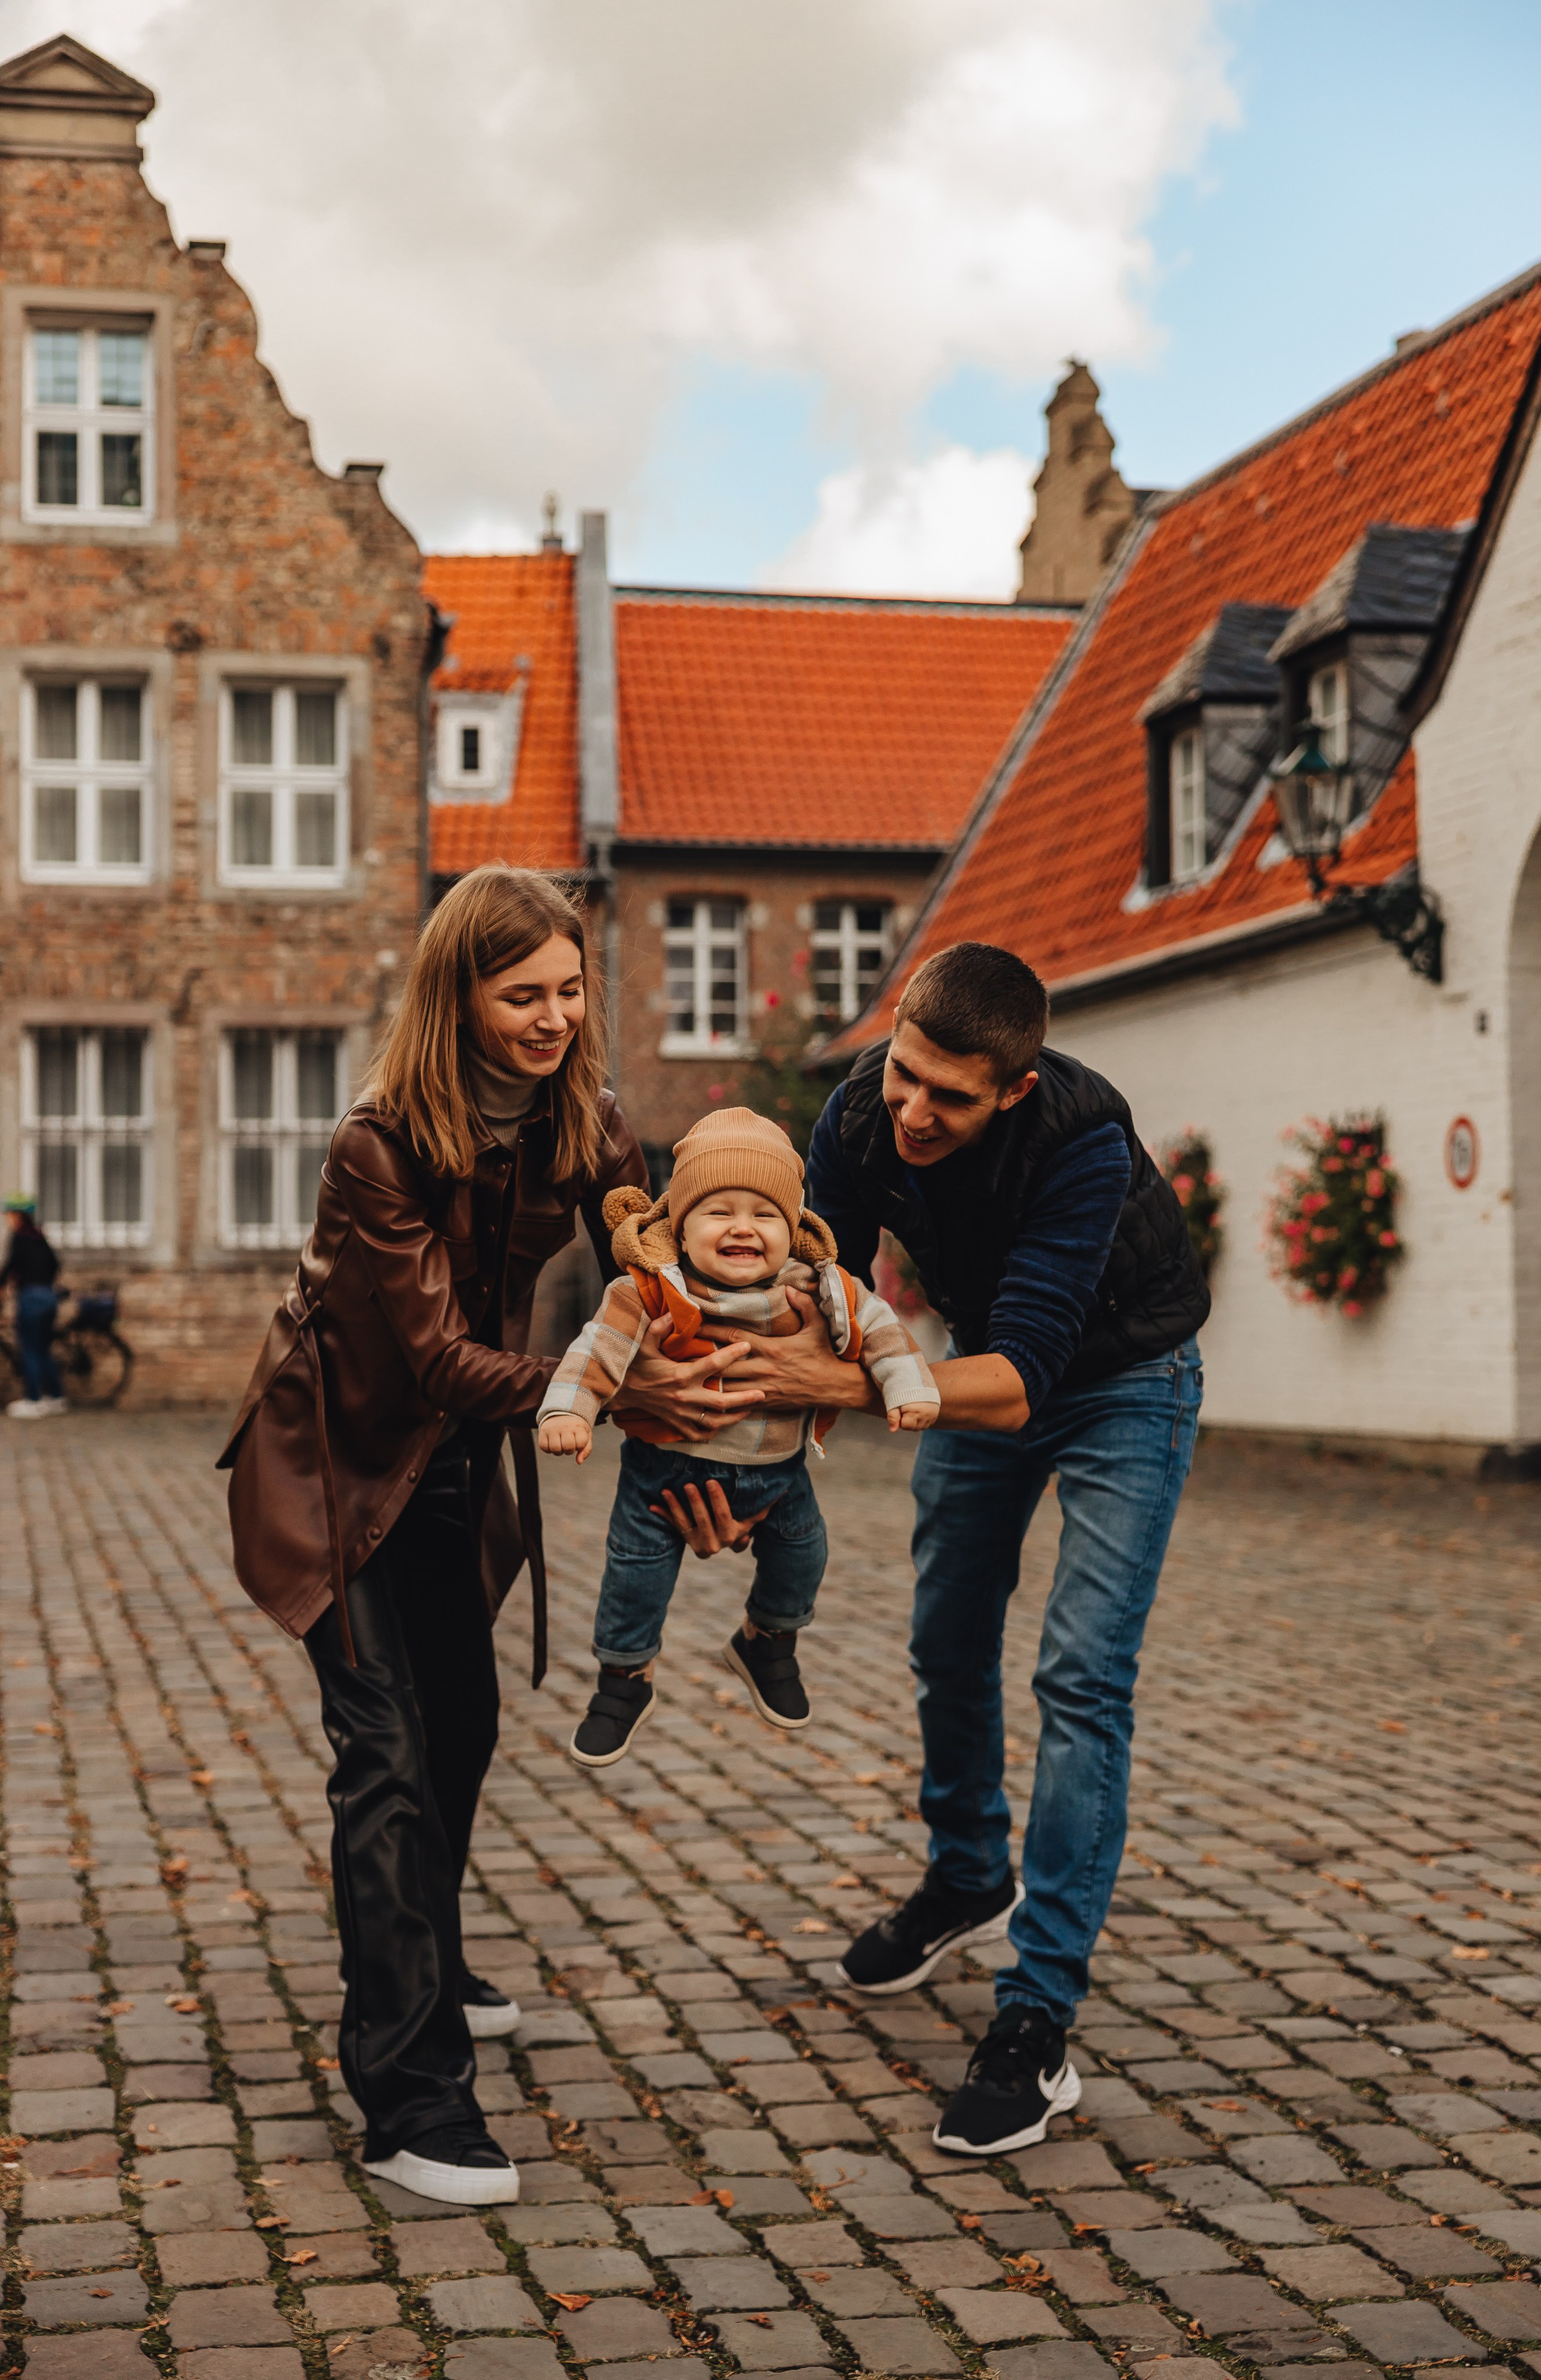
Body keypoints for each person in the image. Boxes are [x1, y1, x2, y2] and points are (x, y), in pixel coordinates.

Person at [703, 941, 1208, 2157]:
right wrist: (745, 1461)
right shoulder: (856, 1113)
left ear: (1013, 1090)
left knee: (1080, 1675)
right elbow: (817, 1296)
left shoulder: (1081, 1141)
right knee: (944, 1635)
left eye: (951, 1096)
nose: (915, 1112)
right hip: (979, 1358)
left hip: (1121, 1382)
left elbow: (1022, 1376)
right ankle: (968, 1872)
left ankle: (1036, 2016)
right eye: (906, 1075)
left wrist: (837, 1383)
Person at [218, 866, 648, 2207]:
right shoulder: (381, 1141)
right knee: (388, 1758)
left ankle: (426, 1959)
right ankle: (410, 2098)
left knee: (460, 1727)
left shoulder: (588, 1119)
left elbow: (653, 1277)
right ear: (456, 996)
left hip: (456, 1468)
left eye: (570, 991)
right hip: (335, 1468)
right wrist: (610, 1387)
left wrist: (715, 1409)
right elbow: (442, 1359)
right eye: (523, 996)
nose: (554, 1019)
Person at [537, 1106, 938, 1768]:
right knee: (634, 1577)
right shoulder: (648, 1290)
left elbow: (881, 1329)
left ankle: (768, 1642)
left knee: (803, 1557)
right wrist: (568, 1412)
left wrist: (908, 1386)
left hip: (778, 1475)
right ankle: (623, 1681)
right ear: (680, 1225)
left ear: (793, 1229)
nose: (743, 1227)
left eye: (764, 1214)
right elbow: (596, 1349)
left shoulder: (819, 1286)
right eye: (718, 1211)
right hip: (660, 1472)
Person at [2, 1193, 66, 1420]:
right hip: (49, 1295)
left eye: (9, 1214)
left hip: (31, 1297)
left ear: (18, 1216)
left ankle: (33, 1400)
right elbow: (55, 1264)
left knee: (29, 1348)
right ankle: (56, 1397)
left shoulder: (20, 1236)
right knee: (43, 1348)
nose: (7, 1219)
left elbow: (11, 1264)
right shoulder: (39, 1236)